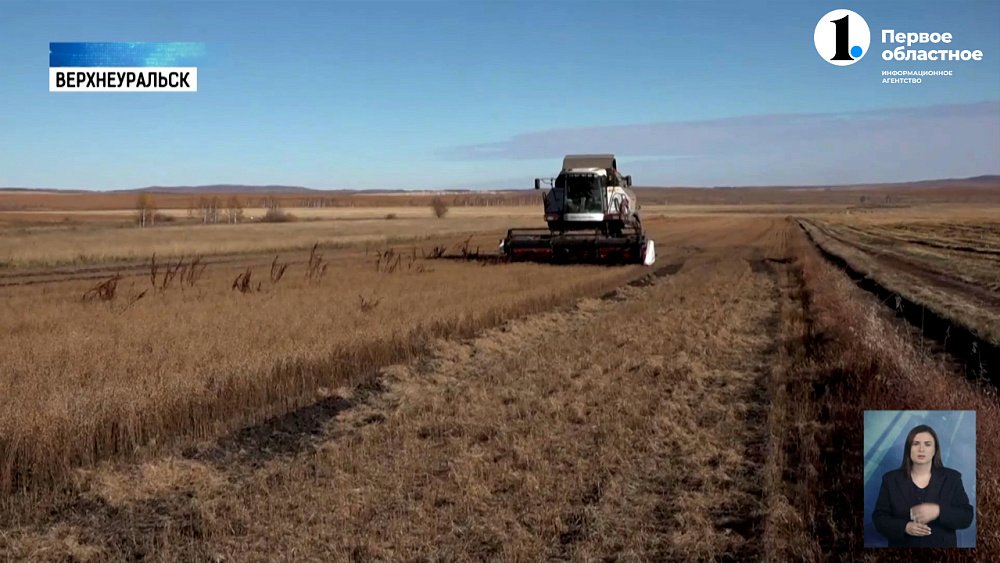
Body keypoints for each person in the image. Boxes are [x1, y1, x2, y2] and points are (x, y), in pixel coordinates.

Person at [872, 424, 974, 547]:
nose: (921, 449)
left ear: (935, 450)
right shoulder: (890, 480)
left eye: (927, 444)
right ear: (908, 449)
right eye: (915, 444)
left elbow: (966, 517)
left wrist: (939, 511)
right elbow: (879, 519)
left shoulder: (952, 478)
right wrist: (905, 527)